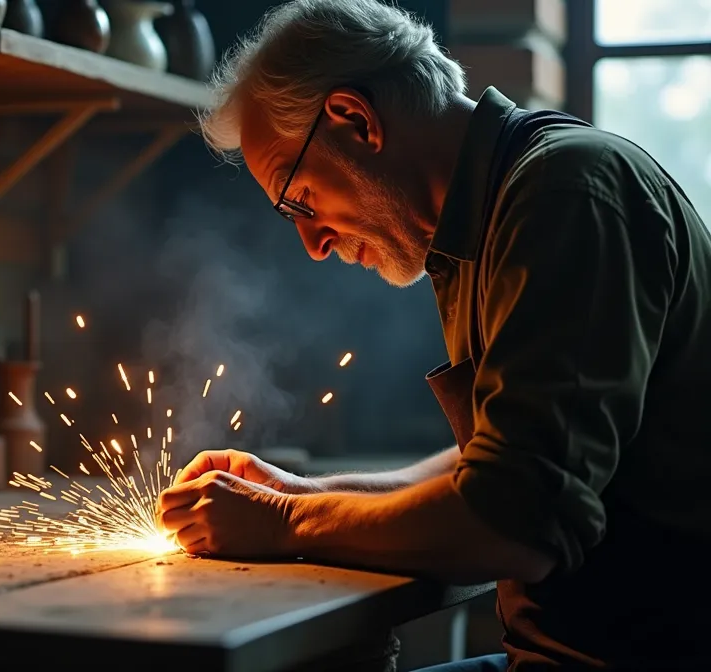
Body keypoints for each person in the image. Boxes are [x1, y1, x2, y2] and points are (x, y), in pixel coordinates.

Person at [155, 1, 711, 670]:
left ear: (354, 120)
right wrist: (300, 494)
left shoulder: (566, 194)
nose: (313, 243)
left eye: (299, 199)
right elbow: (501, 459)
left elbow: (517, 520)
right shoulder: (487, 221)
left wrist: (280, 523)